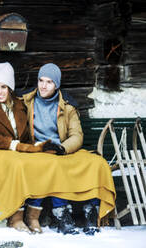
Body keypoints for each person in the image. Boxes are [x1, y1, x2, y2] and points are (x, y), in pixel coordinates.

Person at [21, 63, 113, 235]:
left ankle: (91, 211)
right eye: (41, 80)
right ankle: (62, 213)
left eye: (49, 82)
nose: (43, 85)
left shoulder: (67, 105)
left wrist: (63, 148)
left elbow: (77, 135)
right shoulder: (27, 101)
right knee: (55, 167)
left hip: (61, 149)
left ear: (56, 85)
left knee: (96, 163)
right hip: (39, 150)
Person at [0, 62, 53, 233]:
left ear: (10, 88)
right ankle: (15, 216)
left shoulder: (19, 105)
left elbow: (24, 135)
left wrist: (34, 145)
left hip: (16, 151)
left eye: (3, 86)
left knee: (38, 162)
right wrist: (12, 144)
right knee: (16, 164)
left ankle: (33, 216)